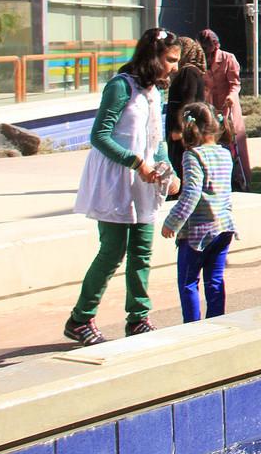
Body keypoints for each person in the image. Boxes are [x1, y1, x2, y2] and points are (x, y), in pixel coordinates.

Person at [64, 28, 182, 345]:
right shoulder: (120, 87)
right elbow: (99, 136)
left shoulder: (154, 92)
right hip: (116, 181)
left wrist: (169, 171)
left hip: (144, 182)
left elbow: (156, 141)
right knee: (113, 251)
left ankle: (138, 318)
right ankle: (80, 319)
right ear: (153, 56)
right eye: (170, 60)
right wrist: (135, 162)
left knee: (142, 252)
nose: (174, 67)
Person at [161, 101, 237, 323]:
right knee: (214, 281)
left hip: (197, 232)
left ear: (188, 126)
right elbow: (224, 192)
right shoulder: (225, 153)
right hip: (224, 227)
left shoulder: (192, 156)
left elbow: (191, 194)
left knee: (188, 282)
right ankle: (216, 324)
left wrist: (172, 222)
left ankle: (192, 328)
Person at [199, 29, 251, 191]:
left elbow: (235, 84)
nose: (208, 55)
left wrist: (231, 96)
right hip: (209, 108)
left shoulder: (228, 58)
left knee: (233, 143)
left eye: (210, 50)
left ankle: (241, 180)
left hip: (228, 107)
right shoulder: (199, 61)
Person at [166, 35, 208, 173]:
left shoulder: (188, 72)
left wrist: (179, 129)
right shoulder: (190, 71)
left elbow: (188, 102)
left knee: (181, 167)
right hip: (186, 129)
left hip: (185, 132)